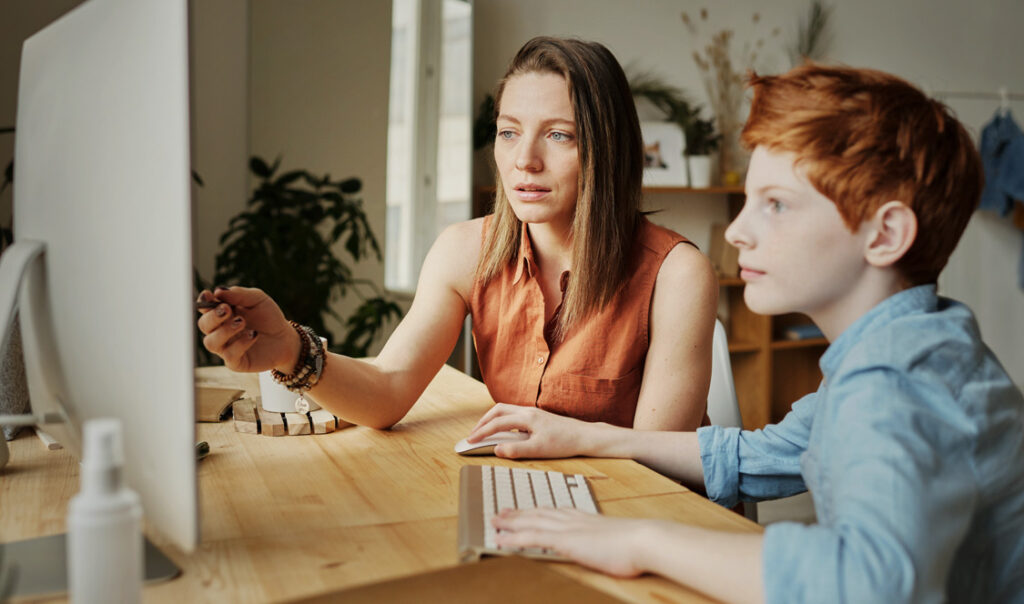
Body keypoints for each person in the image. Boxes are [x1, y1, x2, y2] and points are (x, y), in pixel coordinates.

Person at [469, 63, 1024, 603]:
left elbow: (867, 583)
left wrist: (640, 540)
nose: (737, 231)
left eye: (776, 205)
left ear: (886, 235)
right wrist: (587, 437)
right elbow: (763, 456)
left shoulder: (896, 381)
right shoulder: (911, 346)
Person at [196, 36, 717, 432]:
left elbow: (657, 464)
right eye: (509, 132)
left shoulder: (677, 274)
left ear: (608, 150)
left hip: (643, 518)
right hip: (536, 500)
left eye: (559, 135)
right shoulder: (465, 250)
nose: (524, 160)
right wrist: (290, 349)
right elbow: (387, 390)